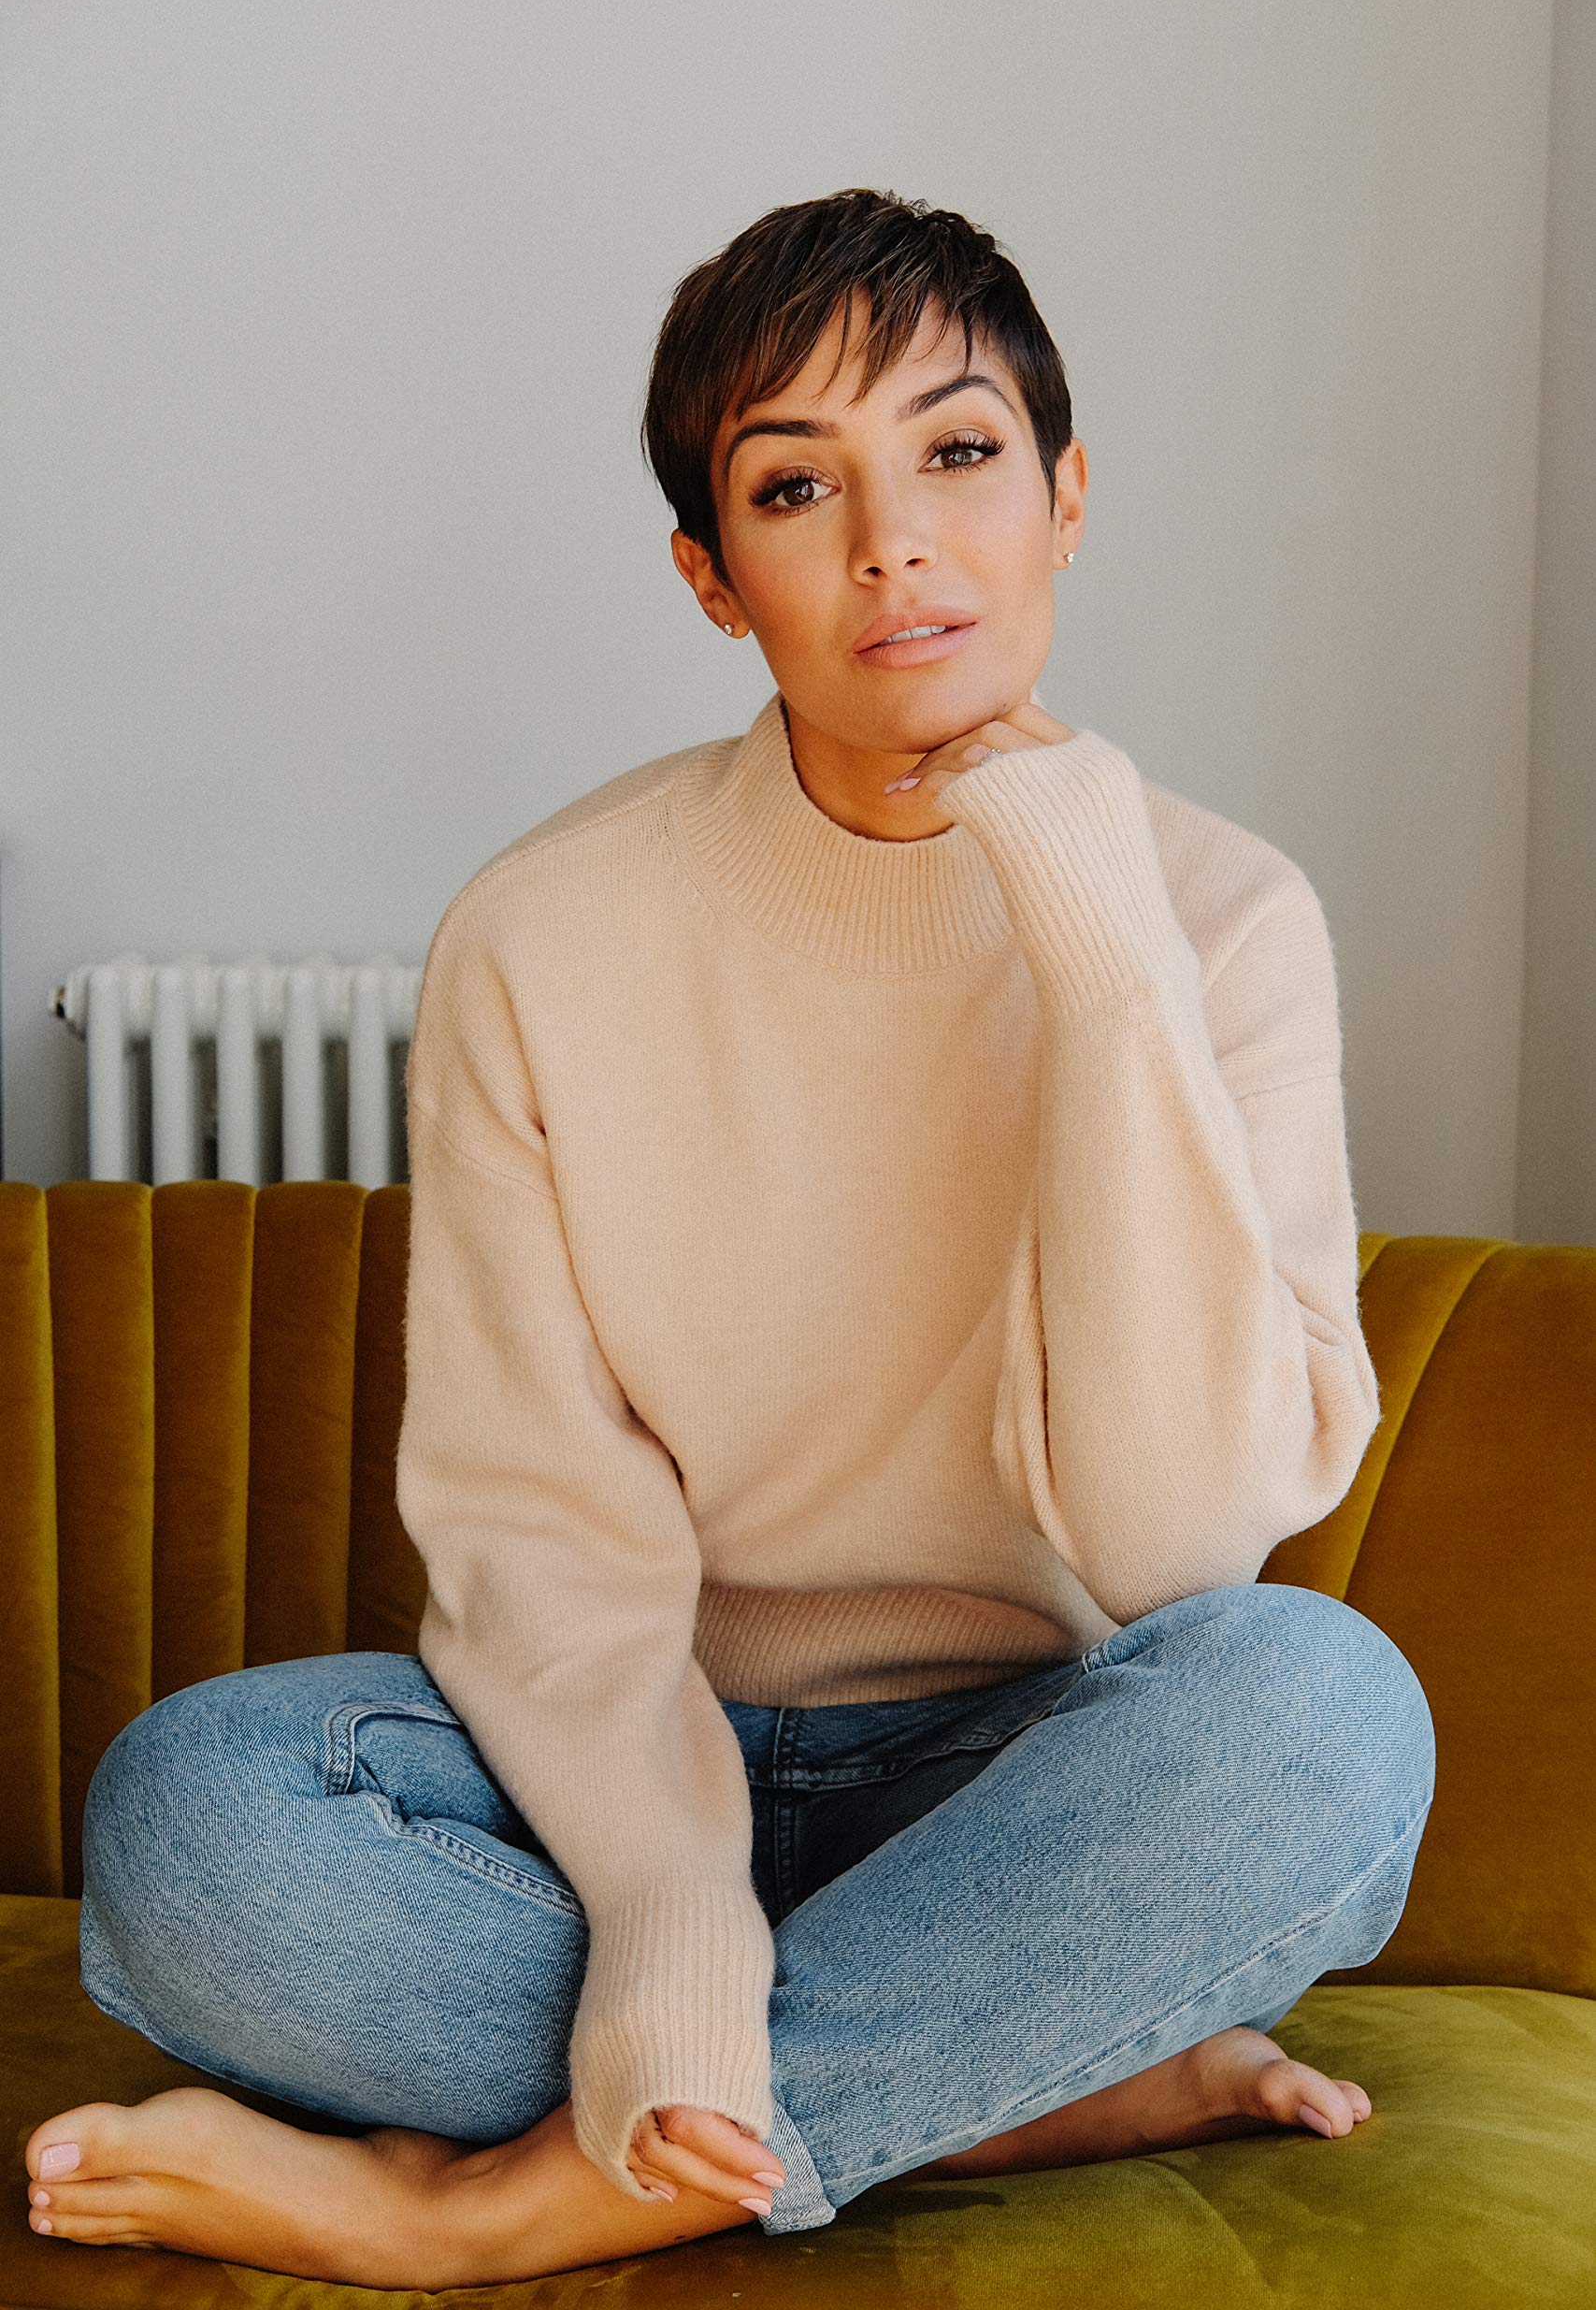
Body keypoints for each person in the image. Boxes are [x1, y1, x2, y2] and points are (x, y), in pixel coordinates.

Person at [24, 187, 1435, 2288]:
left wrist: (1094, 941)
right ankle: (996, 2082)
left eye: (956, 454)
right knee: (190, 1824)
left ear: (1063, 494)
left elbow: (1173, 1539)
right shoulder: (545, 928)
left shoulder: (1220, 919)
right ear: (710, 573)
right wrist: (675, 1915)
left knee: (1320, 1714)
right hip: (617, 1776)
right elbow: (541, 1535)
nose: (892, 543)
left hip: (1032, 1776)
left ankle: (510, 2199)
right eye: (798, 486)